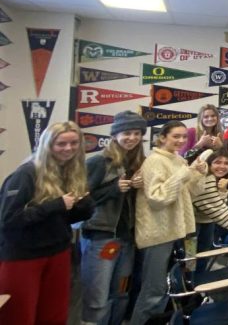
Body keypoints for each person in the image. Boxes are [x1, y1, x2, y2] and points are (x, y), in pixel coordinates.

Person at [0, 121, 93, 324]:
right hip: (23, 257)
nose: (68, 149)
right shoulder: (26, 174)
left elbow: (61, 219)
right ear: (48, 145)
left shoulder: (70, 172)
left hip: (58, 253)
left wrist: (83, 208)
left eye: (73, 143)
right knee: (18, 316)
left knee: (55, 316)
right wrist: (56, 205)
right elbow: (8, 220)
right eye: (61, 144)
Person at [132, 121, 207, 325]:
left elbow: (190, 193)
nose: (181, 140)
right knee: (153, 291)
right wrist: (183, 174)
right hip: (158, 234)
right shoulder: (155, 161)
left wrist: (199, 174)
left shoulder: (178, 159)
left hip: (178, 232)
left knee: (166, 288)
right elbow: (157, 198)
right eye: (176, 136)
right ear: (163, 137)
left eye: (184, 136)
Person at [81, 111, 147, 325]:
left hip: (127, 239)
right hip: (101, 238)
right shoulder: (99, 161)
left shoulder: (139, 162)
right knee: (98, 300)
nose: (132, 138)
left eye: (137, 133)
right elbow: (81, 201)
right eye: (127, 133)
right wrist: (114, 189)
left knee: (121, 294)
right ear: (115, 135)